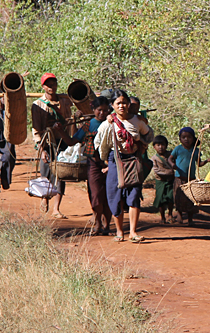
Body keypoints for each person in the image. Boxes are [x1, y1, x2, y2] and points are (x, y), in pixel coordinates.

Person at [95, 90, 154, 242]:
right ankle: (120, 232)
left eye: (124, 102)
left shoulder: (137, 121)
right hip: (115, 161)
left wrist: (141, 143)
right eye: (118, 103)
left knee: (134, 195)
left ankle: (133, 232)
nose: (121, 106)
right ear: (112, 105)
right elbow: (99, 143)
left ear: (128, 104)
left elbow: (149, 135)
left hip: (133, 160)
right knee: (115, 196)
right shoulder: (107, 124)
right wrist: (106, 161)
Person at [31, 72, 73, 219]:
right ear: (43, 87)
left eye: (53, 83)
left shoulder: (65, 100)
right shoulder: (38, 105)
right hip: (47, 142)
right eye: (48, 84)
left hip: (63, 142)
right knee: (46, 173)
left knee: (61, 174)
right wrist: (42, 150)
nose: (51, 87)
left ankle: (56, 208)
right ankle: (44, 198)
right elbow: (36, 129)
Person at [72, 96, 112, 234]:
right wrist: (61, 129)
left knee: (109, 194)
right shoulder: (89, 125)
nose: (102, 113)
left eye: (106, 110)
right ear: (93, 109)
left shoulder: (112, 123)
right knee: (95, 194)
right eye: (99, 110)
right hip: (94, 164)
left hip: (110, 164)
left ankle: (107, 225)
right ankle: (97, 222)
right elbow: (73, 141)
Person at [169, 127, 204, 223]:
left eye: (189, 137)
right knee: (178, 197)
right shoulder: (178, 149)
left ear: (193, 139)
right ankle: (179, 215)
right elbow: (170, 158)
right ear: (180, 139)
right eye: (183, 137)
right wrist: (172, 165)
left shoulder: (195, 150)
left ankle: (190, 218)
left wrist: (207, 161)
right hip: (179, 178)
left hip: (191, 178)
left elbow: (199, 164)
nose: (186, 139)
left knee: (191, 198)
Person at [149, 135, 178, 223]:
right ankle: (162, 217)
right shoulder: (154, 158)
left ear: (166, 145)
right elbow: (157, 170)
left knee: (170, 198)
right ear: (154, 147)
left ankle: (170, 214)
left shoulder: (170, 155)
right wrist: (170, 172)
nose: (161, 147)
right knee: (160, 199)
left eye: (163, 145)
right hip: (160, 181)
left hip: (170, 180)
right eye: (158, 145)